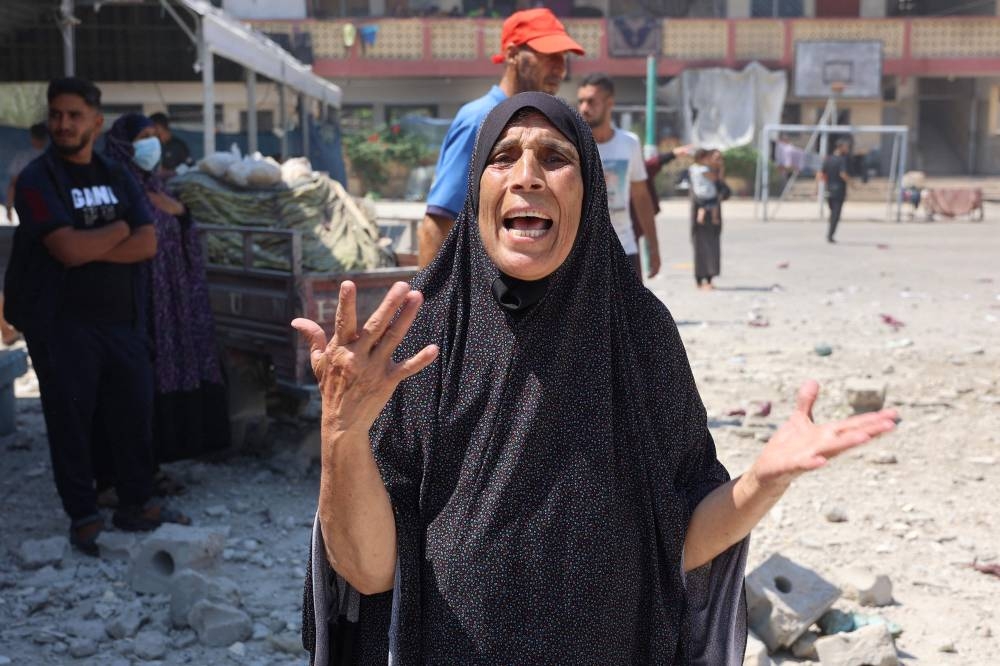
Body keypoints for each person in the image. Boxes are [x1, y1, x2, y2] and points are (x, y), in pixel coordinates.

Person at [293, 92, 898, 663]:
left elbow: (678, 544)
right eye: (504, 157)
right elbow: (370, 570)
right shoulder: (420, 330)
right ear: (477, 186)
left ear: (589, 193)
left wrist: (763, 481)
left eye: (554, 158)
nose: (527, 175)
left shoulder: (638, 331)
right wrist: (341, 431)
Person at [3, 77, 190, 556]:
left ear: (96, 122)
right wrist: (123, 226)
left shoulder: (113, 172)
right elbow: (65, 250)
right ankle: (83, 516)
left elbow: (148, 243)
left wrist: (99, 243)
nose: (62, 123)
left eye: (73, 115)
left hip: (119, 321)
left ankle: (135, 504)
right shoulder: (38, 179)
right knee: (70, 422)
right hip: (60, 322)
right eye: (56, 114)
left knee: (131, 416)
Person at [104, 113, 230, 469]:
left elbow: (181, 227)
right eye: (140, 137)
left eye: (152, 135)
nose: (150, 143)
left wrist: (181, 212)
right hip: (139, 297)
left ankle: (161, 460)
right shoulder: (116, 185)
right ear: (122, 145)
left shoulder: (155, 185)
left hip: (173, 297)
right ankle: (137, 470)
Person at [417, 7, 584, 266]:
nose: (559, 68)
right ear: (512, 55)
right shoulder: (480, 119)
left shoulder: (546, 121)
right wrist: (427, 302)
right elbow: (439, 221)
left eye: (563, 57)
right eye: (548, 55)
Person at [577, 72, 660, 279]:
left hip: (625, 248)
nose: (584, 108)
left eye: (591, 101)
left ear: (609, 103)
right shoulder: (575, 146)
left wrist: (653, 246)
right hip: (584, 254)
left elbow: (641, 196)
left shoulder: (629, 143)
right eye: (581, 101)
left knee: (631, 311)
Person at [691, 148, 729, 290]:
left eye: (720, 159)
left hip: (713, 217)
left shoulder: (714, 175)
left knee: (713, 246)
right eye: (715, 158)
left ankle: (710, 278)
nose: (717, 161)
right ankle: (700, 279)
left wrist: (721, 172)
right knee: (700, 246)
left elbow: (725, 192)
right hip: (699, 215)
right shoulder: (699, 171)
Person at [5, 123, 48, 223]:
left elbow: (13, 184)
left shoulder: (21, 158)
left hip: (26, 202)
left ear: (31, 137)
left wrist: (9, 208)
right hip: (47, 204)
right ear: (46, 139)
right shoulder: (53, 160)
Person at [818, 139, 851, 243]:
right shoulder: (842, 160)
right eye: (846, 147)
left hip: (829, 190)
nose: (847, 149)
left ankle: (830, 233)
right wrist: (852, 183)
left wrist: (817, 188)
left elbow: (821, 174)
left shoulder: (828, 159)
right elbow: (843, 174)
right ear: (840, 147)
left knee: (832, 212)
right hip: (839, 190)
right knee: (835, 214)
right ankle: (830, 235)